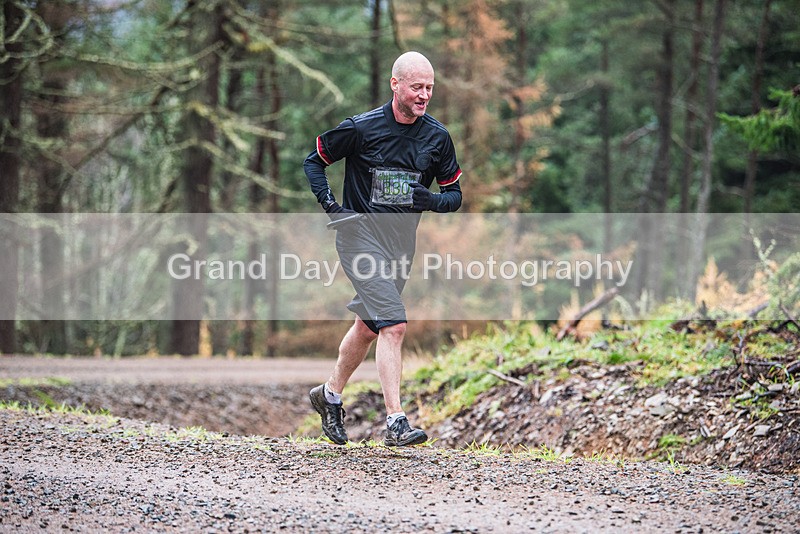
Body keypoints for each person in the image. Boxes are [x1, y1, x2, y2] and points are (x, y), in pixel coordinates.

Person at [303, 51, 463, 446]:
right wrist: (333, 209)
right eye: (416, 87)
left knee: (368, 327)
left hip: (399, 248)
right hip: (358, 239)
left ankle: (329, 395)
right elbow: (314, 161)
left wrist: (430, 200)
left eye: (429, 88)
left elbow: (454, 194)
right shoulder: (361, 128)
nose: (424, 95)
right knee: (394, 324)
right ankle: (396, 422)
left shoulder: (437, 138)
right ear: (396, 85)